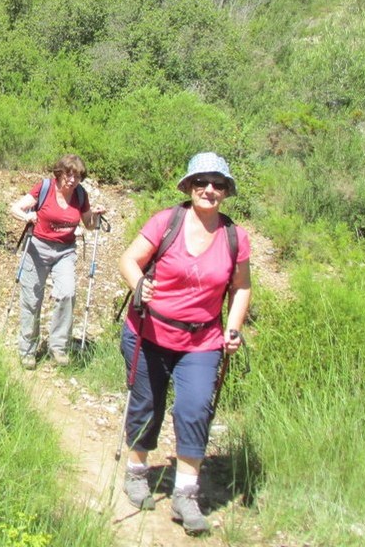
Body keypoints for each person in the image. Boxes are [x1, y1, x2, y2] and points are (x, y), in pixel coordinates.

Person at [117, 152, 251, 535]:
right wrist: (139, 284)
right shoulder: (167, 221)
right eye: (201, 182)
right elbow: (129, 260)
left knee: (194, 409)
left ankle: (186, 494)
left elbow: (241, 287)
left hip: (203, 339)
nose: (209, 189)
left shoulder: (234, 236)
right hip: (149, 333)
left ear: (226, 192)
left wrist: (234, 327)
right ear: (189, 186)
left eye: (218, 184)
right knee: (147, 404)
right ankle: (138, 470)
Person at [9, 154, 105, 368]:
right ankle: (27, 350)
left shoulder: (80, 195)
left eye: (77, 176)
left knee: (67, 294)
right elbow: (15, 207)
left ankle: (59, 347)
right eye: (69, 175)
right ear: (60, 173)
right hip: (37, 248)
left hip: (65, 251)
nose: (72, 180)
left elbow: (88, 224)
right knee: (32, 299)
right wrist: (27, 217)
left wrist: (95, 216)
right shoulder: (44, 188)